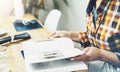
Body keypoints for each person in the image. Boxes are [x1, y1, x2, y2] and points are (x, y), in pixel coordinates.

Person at [49, 0, 120, 72]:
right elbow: (95, 37)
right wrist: (69, 35)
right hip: (99, 62)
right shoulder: (93, 4)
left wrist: (100, 54)